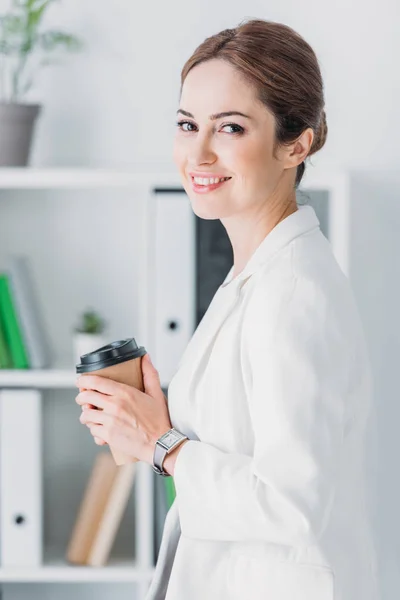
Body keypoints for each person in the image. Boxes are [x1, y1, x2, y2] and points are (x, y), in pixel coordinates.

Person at [76, 18, 380, 600]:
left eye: (231, 128)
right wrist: (148, 424)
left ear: (297, 144)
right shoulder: (254, 273)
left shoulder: (292, 292)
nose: (199, 153)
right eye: (188, 124)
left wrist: (163, 446)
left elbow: (291, 505)